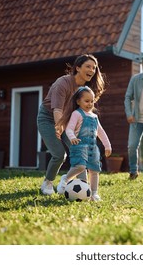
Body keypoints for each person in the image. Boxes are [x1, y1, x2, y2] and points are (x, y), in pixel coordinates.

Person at [37, 54, 106, 195]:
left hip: (69, 120)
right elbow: (57, 110)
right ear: (78, 68)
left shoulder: (85, 89)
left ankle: (83, 187)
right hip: (48, 118)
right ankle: (47, 183)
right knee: (59, 154)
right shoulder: (62, 83)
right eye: (88, 66)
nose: (92, 70)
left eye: (94, 68)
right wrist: (59, 127)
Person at [55, 86, 111, 201]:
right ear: (78, 101)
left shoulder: (95, 117)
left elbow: (100, 132)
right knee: (80, 166)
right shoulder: (77, 114)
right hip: (79, 146)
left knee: (94, 170)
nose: (90, 104)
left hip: (93, 148)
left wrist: (107, 145)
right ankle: (66, 178)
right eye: (86, 101)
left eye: (92, 101)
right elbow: (69, 129)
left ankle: (94, 193)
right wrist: (72, 138)